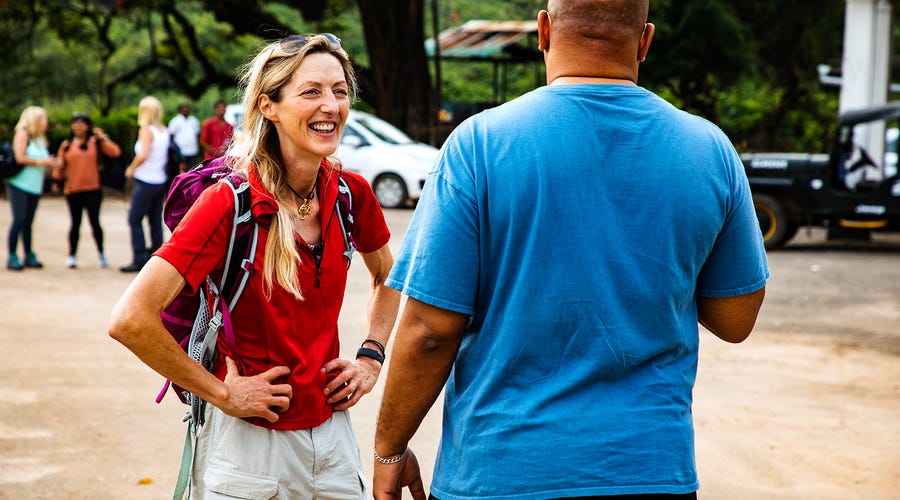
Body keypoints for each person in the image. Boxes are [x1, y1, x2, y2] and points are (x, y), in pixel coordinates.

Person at [373, 1, 769, 499]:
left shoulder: (479, 145)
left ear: (543, 30)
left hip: (502, 474)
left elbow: (430, 330)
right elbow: (735, 319)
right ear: (645, 40)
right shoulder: (709, 149)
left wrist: (390, 447)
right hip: (648, 472)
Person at [108, 33, 399, 498]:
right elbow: (129, 319)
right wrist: (223, 394)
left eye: (340, 91)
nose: (331, 105)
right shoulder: (228, 203)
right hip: (250, 448)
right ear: (269, 106)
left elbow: (388, 276)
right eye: (311, 92)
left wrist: (371, 356)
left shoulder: (352, 194)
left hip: (333, 437)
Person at [52, 113, 122, 269]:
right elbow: (60, 165)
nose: (78, 126)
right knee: (75, 223)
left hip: (93, 189)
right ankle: (72, 255)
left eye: (82, 123)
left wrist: (102, 137)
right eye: (75, 123)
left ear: (88, 125)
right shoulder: (67, 145)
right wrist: (56, 181)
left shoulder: (95, 142)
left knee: (95, 222)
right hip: (73, 190)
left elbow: (115, 152)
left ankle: (101, 253)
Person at [4, 105, 61, 271]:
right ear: (35, 120)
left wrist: (52, 164)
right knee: (19, 220)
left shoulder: (41, 139)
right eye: (43, 119)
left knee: (28, 222)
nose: (46, 122)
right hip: (19, 184)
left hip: (35, 186)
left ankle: (28, 254)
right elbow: (20, 158)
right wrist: (42, 162)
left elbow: (44, 161)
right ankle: (12, 255)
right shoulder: (23, 134)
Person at [120, 96, 170, 273]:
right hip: (160, 180)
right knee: (155, 220)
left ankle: (139, 257)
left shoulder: (147, 131)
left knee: (134, 218)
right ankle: (157, 257)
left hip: (145, 180)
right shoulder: (164, 130)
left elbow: (143, 155)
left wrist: (130, 169)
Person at [168, 102, 201, 168]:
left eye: (187, 108)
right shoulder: (175, 121)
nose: (186, 109)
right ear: (180, 110)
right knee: (182, 171)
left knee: (192, 171)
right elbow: (170, 136)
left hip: (193, 151)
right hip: (180, 152)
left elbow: (198, 134)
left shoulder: (194, 120)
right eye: (184, 108)